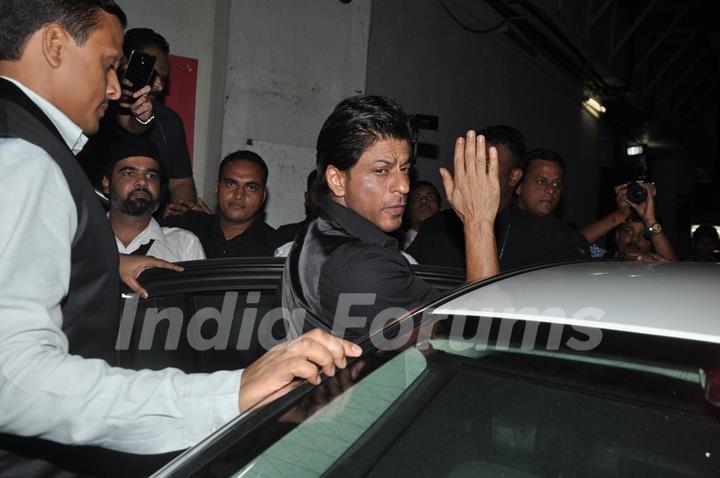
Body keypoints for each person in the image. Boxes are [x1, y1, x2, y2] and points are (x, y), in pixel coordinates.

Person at [0, 0, 359, 458]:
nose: (114, 89)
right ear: (54, 45)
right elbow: (13, 378)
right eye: (109, 65)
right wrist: (229, 394)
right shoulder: (25, 158)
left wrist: (106, 260)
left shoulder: (19, 141)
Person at [282, 95, 500, 339]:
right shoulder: (361, 267)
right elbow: (479, 332)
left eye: (405, 169)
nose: (404, 186)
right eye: (382, 171)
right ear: (337, 180)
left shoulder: (319, 231)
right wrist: (479, 221)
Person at [407, 125, 524, 269]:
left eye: (486, 163)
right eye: (469, 162)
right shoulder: (435, 226)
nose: (474, 170)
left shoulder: (545, 235)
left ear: (513, 176)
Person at [102, 133, 205, 262]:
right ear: (107, 183)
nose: (142, 182)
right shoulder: (81, 240)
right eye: (129, 173)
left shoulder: (184, 245)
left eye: (151, 175)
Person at [162, 150, 282, 258]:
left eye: (251, 187)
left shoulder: (278, 249)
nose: (239, 195)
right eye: (231, 184)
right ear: (217, 188)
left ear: (263, 196)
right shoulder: (183, 228)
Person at [581, 182, 677, 262]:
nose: (634, 239)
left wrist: (650, 221)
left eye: (644, 234)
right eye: (628, 231)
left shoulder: (657, 268)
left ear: (652, 242)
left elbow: (675, 271)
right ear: (617, 236)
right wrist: (620, 214)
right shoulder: (601, 260)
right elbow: (572, 243)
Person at [275, 169, 320, 245]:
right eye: (317, 191)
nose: (324, 197)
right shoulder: (284, 236)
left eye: (330, 192)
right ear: (307, 197)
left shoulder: (346, 236)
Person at [401, 180, 441, 250]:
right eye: (416, 198)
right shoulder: (397, 246)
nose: (424, 201)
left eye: (431, 197)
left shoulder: (453, 244)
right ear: (407, 211)